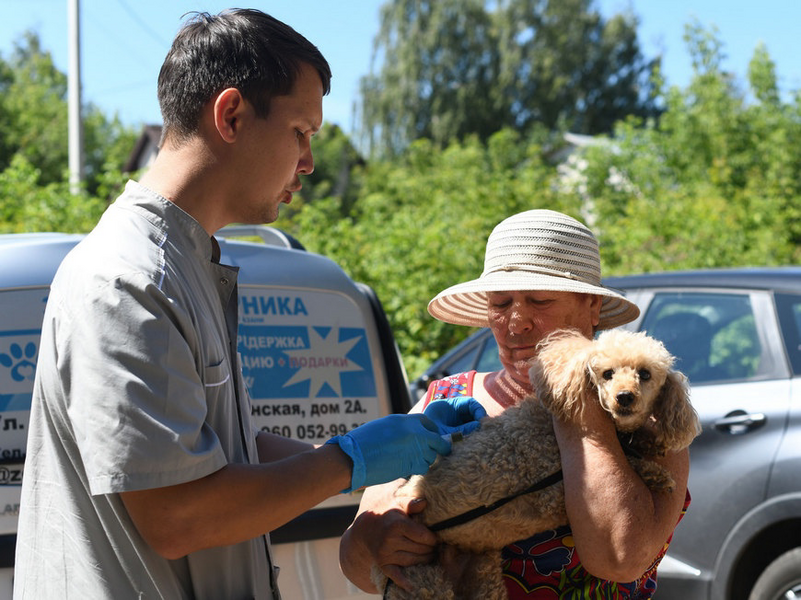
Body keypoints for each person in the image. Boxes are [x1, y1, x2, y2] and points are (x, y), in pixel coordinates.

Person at [13, 10, 484, 600]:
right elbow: (178, 514)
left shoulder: (183, 262)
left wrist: (387, 446)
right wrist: (349, 459)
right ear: (231, 114)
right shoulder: (127, 278)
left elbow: (220, 455)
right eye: (301, 132)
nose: (309, 161)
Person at [339, 209, 692, 598]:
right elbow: (357, 565)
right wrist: (374, 540)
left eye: (539, 300)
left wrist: (574, 407)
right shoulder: (446, 399)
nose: (516, 322)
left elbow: (619, 557)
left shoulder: (646, 419)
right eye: (501, 302)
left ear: (592, 306)